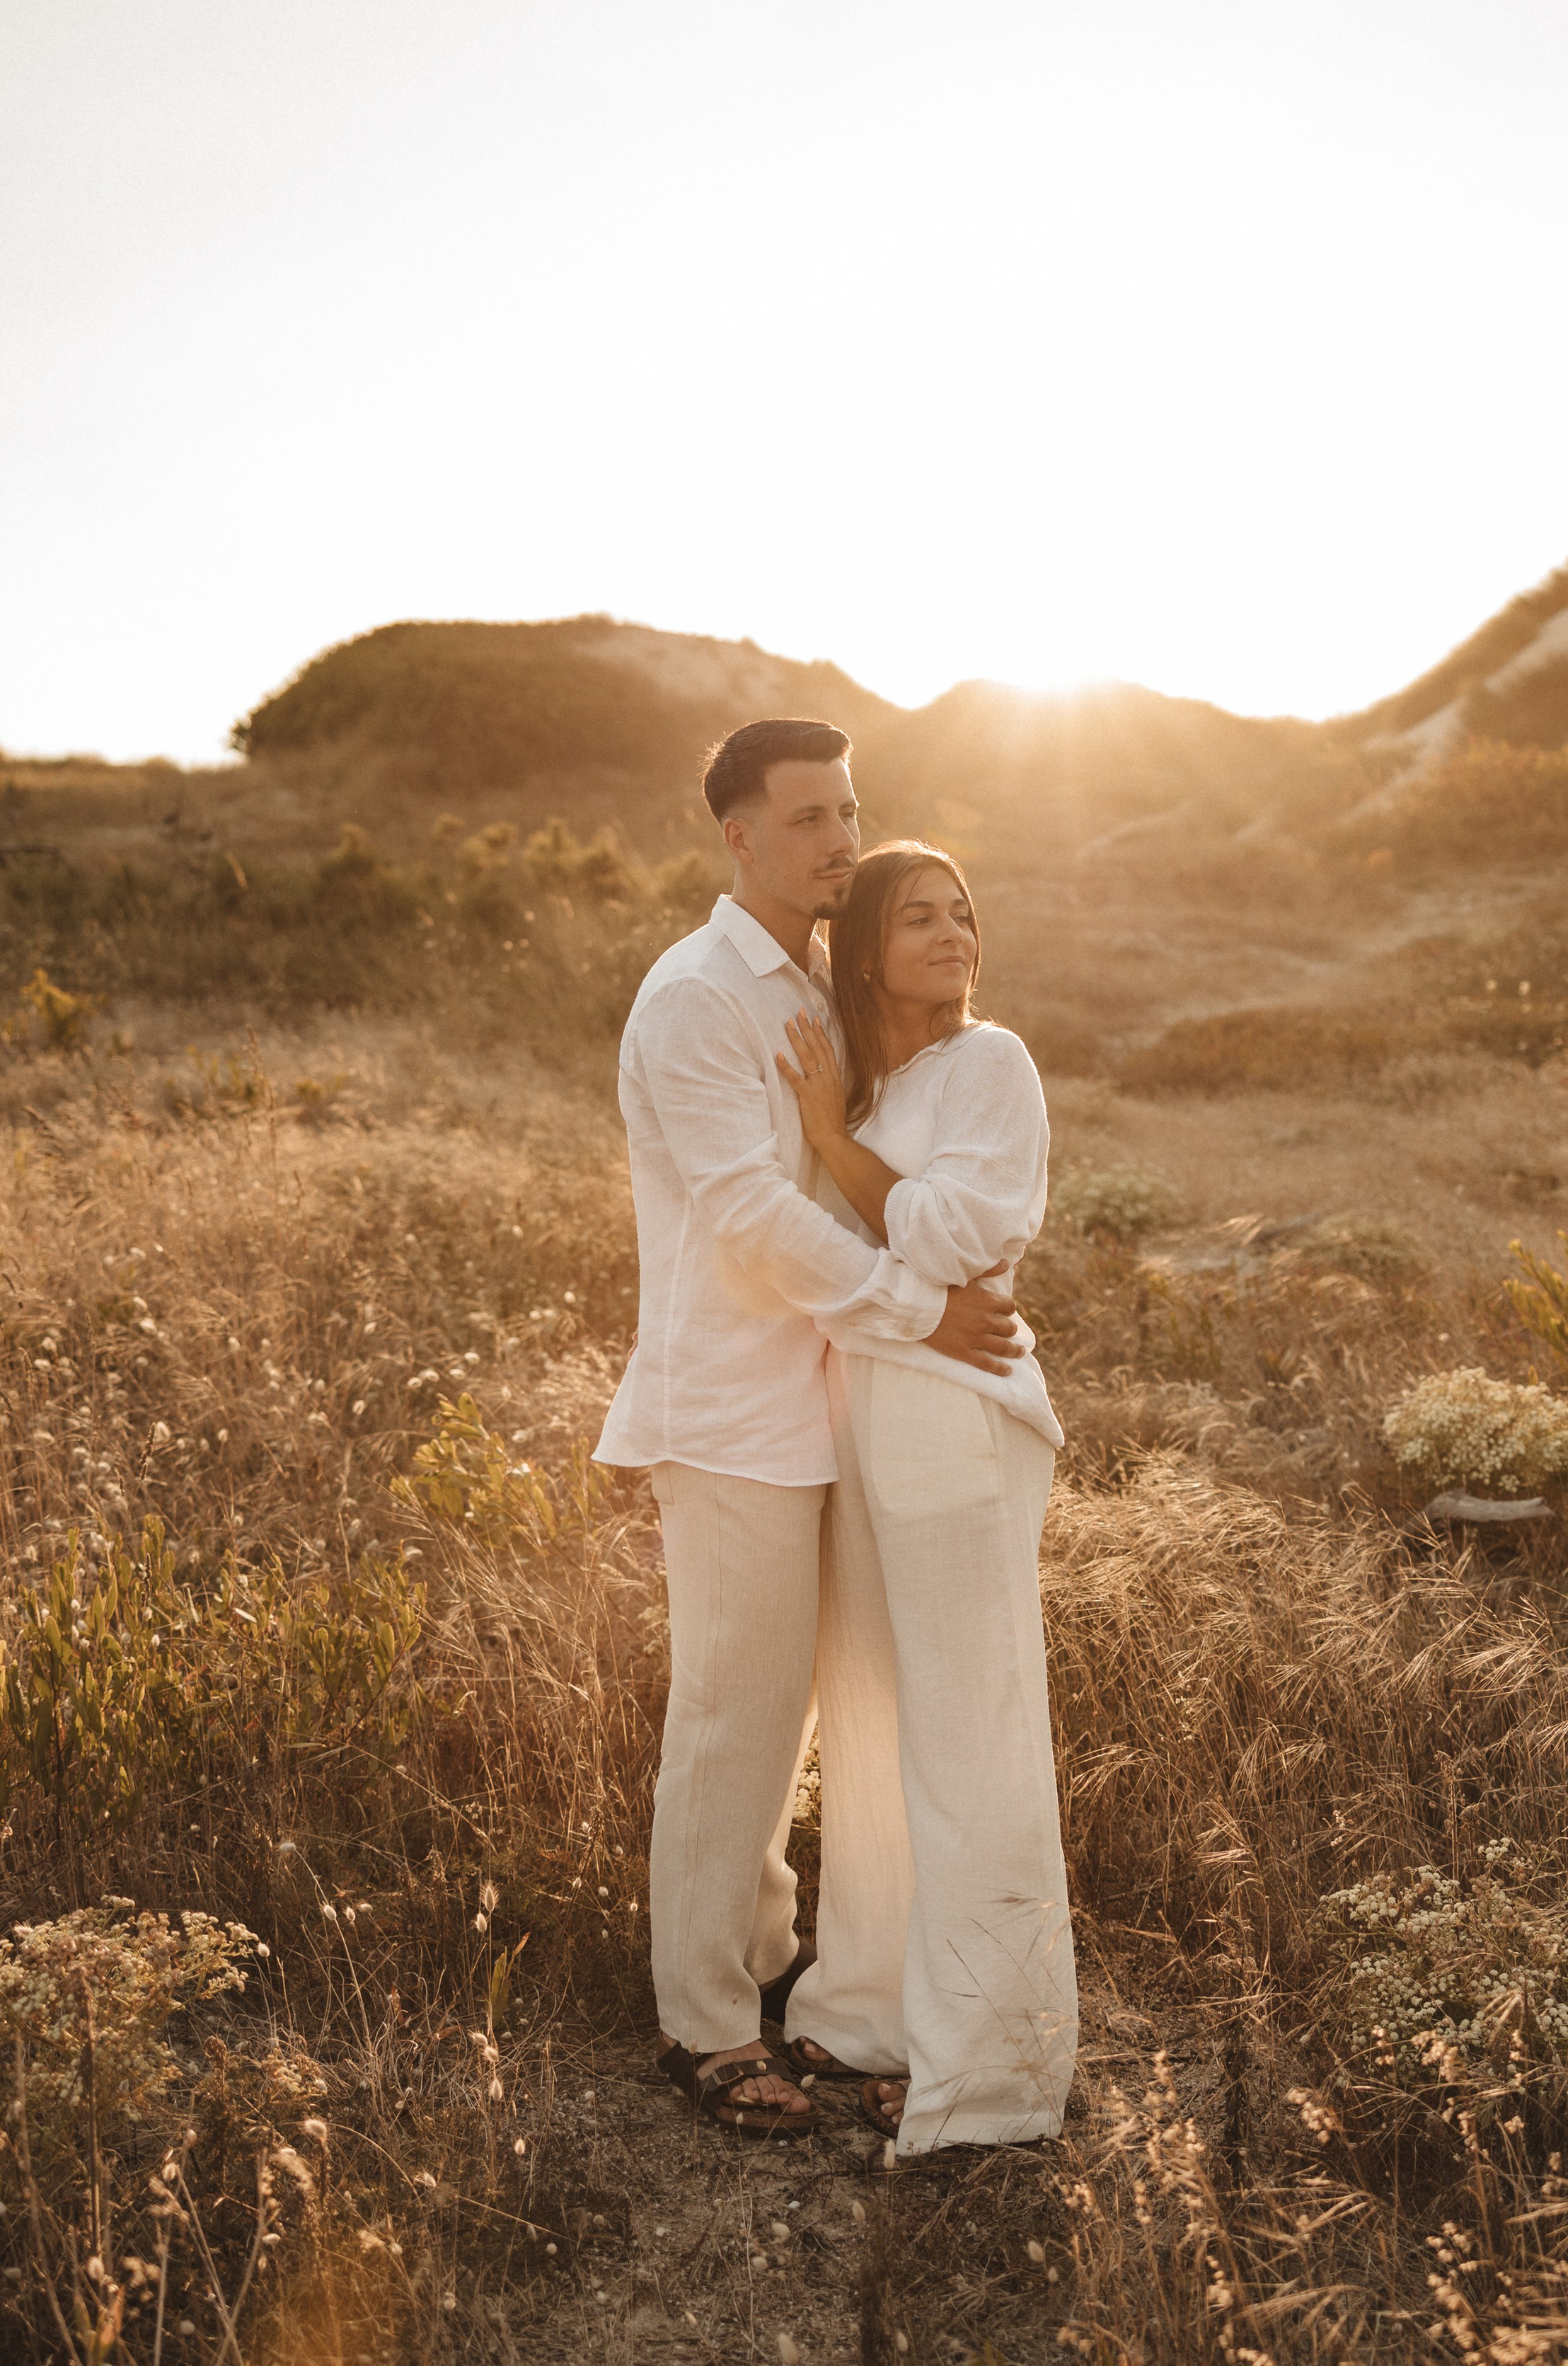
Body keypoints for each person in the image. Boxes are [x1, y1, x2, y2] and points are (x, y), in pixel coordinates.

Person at [594, 720, 1024, 2137]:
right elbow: (750, 1219)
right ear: (737, 836)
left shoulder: (824, 991)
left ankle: (774, 1960)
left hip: (835, 1395)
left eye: (848, 810)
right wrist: (914, 1307)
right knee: (736, 1714)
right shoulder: (696, 998)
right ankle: (702, 2024)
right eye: (806, 819)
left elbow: (879, 1166)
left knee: (802, 1718)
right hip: (731, 1408)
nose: (840, 838)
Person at [773, 839, 1077, 2155]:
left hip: (958, 1414)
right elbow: (823, 1249)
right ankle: (883, 2013)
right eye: (921, 916)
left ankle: (994, 2075)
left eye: (966, 911)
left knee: (971, 1731)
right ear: (864, 948)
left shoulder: (990, 1065)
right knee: (877, 1720)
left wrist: (835, 1145)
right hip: (864, 1413)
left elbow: (960, 1234)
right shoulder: (875, 1079)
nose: (955, 933)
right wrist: (843, 1135)